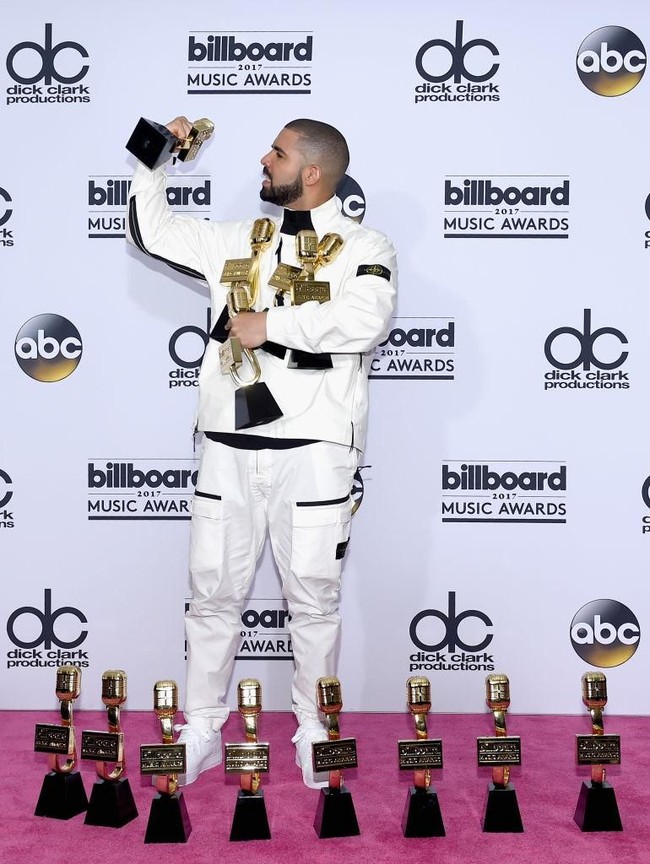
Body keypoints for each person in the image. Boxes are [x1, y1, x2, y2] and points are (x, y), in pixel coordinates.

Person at [126, 116, 397, 787]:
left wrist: (269, 325)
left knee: (313, 595)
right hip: (228, 444)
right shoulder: (231, 242)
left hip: (313, 449)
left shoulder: (368, 244)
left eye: (276, 152)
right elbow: (151, 232)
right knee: (211, 592)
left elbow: (365, 320)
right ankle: (201, 729)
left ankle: (315, 730)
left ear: (311, 170)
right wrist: (155, 155)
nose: (262, 159)